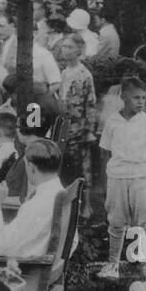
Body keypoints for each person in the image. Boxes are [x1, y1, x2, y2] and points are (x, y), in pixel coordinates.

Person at [97, 77, 146, 278]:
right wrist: (105, 183)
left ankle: (144, 264)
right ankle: (113, 265)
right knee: (116, 220)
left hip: (142, 176)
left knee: (145, 221)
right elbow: (105, 152)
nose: (141, 102)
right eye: (136, 98)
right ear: (123, 97)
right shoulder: (112, 121)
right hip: (117, 176)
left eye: (144, 98)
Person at [0, 139, 66, 259]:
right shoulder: (60, 191)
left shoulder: (37, 204)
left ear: (31, 167)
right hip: (43, 262)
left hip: (27, 269)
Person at [56, 32, 97, 190]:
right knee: (66, 167)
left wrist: (89, 130)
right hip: (65, 126)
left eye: (70, 47)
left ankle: (85, 205)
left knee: (81, 167)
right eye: (64, 47)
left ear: (79, 50)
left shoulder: (84, 74)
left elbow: (90, 103)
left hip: (79, 128)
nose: (66, 50)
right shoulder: (64, 72)